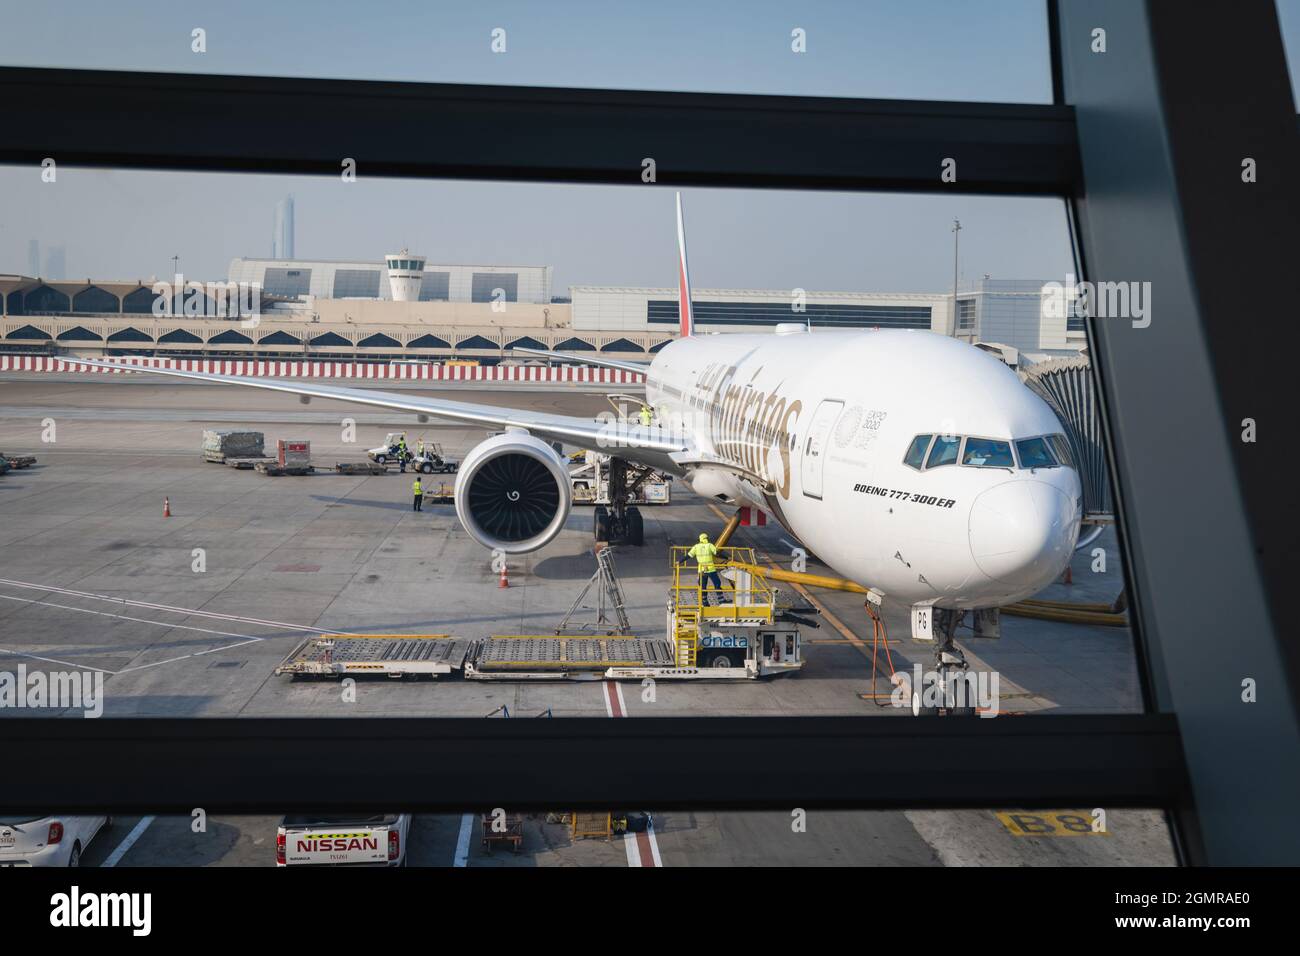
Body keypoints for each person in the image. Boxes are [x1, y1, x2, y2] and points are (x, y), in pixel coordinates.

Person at [679, 532, 724, 606]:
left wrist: (680, 561)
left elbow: (688, 556)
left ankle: (705, 602)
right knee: (717, 583)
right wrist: (727, 558)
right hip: (711, 569)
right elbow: (717, 553)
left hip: (701, 570)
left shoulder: (696, 547)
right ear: (706, 538)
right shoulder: (709, 545)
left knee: (703, 586)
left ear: (700, 539)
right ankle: (721, 600)